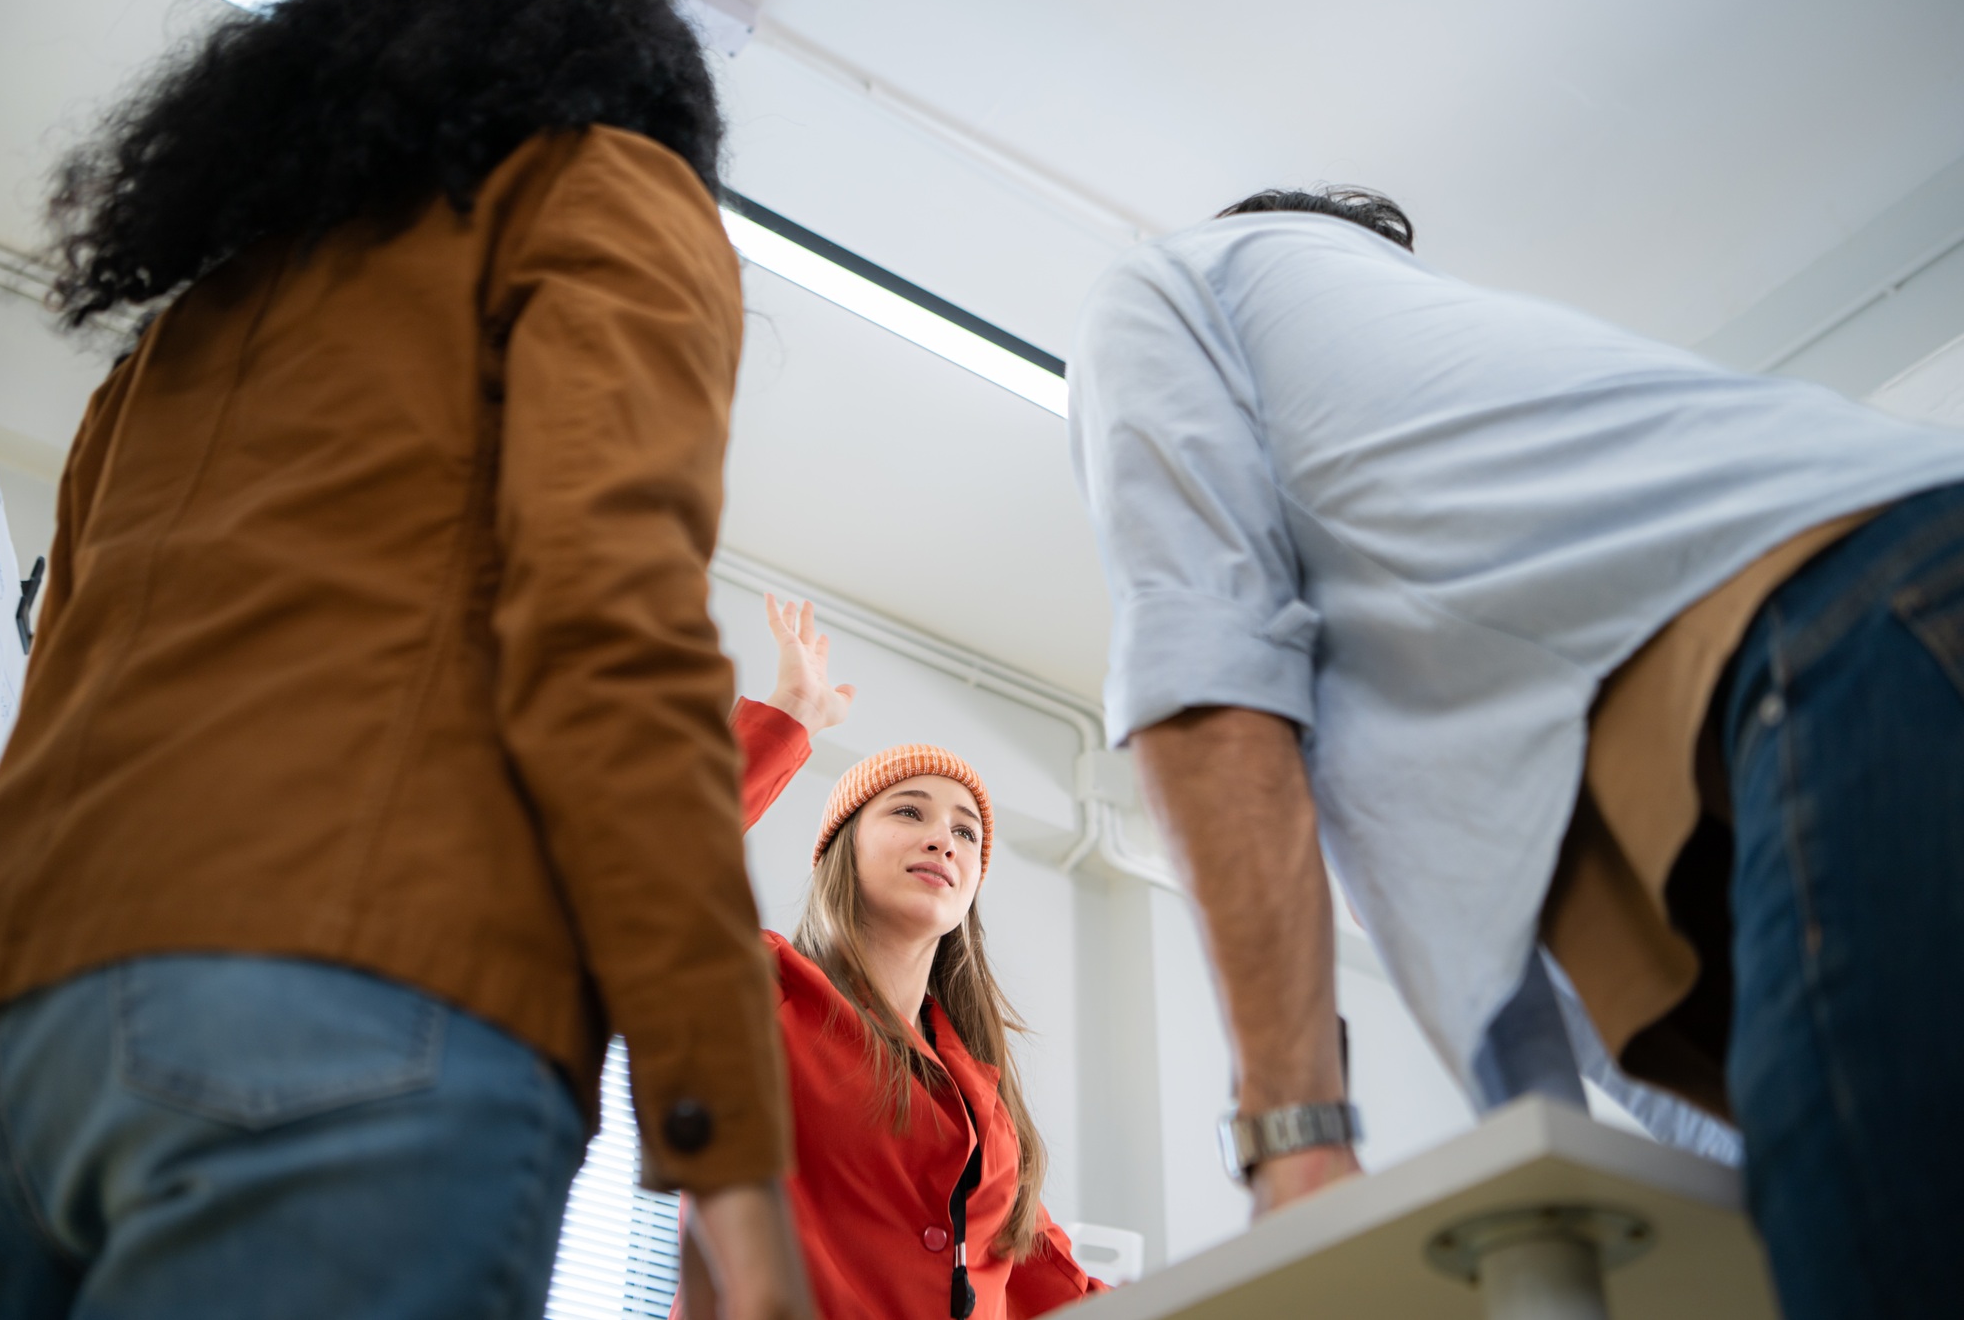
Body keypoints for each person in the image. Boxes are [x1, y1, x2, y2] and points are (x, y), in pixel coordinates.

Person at [0, 0, 809, 1318]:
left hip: (4, 1044)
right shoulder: (607, 189)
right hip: (361, 1017)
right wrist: (733, 1168)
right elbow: (609, 634)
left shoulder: (199, 310)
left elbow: (58, 675)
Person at [1069, 185, 1964, 1320]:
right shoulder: (1487, 568)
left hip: (1850, 634)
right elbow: (1585, 1016)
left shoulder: (1166, 286)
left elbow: (1205, 681)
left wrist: (1296, 1149)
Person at [676, 596, 1107, 1320]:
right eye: (909, 811)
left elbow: (1054, 1284)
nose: (944, 838)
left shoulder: (985, 1103)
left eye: (967, 833)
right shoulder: (762, 994)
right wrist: (789, 715)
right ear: (841, 848)